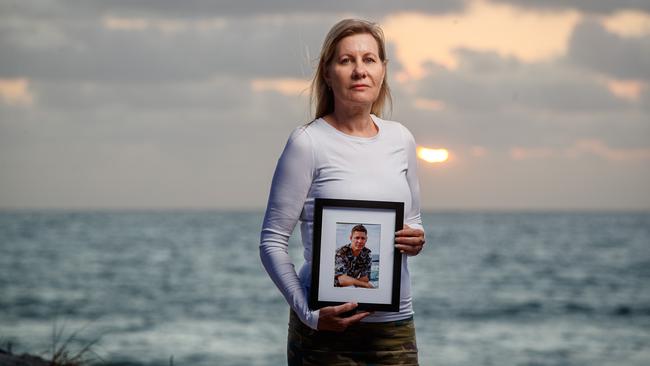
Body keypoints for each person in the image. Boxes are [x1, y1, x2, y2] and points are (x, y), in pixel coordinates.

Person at [260, 18, 426, 365]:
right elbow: (272, 242)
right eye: (346, 60)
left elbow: (413, 222)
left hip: (393, 328)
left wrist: (416, 239)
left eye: (369, 59)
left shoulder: (401, 139)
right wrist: (308, 313)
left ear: (383, 70)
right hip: (324, 332)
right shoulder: (308, 142)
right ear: (327, 72)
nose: (359, 70)